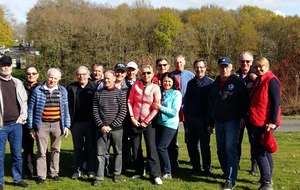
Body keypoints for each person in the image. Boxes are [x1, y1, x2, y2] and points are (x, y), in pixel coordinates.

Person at [207, 57, 249, 190]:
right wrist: (210, 122)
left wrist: (243, 116)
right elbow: (211, 103)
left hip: (232, 121)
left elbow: (246, 100)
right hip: (218, 121)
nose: (224, 69)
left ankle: (231, 180)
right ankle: (226, 172)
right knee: (220, 149)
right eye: (221, 66)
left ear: (231, 67)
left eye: (226, 66)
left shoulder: (237, 82)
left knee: (230, 149)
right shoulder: (215, 83)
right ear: (218, 68)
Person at [27, 68, 71, 185]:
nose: (52, 80)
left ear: (59, 79)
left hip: (57, 124)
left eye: (55, 78)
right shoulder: (38, 90)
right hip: (42, 124)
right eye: (50, 77)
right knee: (41, 151)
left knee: (56, 150)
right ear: (47, 77)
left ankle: (54, 172)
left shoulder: (63, 91)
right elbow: (31, 110)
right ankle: (42, 175)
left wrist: (66, 125)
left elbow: (66, 109)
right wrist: (31, 127)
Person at [249, 57, 281, 190]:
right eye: (256, 67)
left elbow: (276, 102)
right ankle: (266, 178)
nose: (259, 69)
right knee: (266, 151)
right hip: (258, 119)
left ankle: (267, 183)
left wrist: (272, 122)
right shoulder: (258, 80)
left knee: (259, 151)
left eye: (261, 66)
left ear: (267, 66)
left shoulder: (271, 80)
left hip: (265, 122)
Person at [127, 65, 163, 185]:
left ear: (152, 74)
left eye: (148, 73)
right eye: (143, 73)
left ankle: (155, 174)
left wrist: (146, 121)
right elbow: (129, 101)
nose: (146, 75)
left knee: (151, 148)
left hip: (149, 123)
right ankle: (139, 170)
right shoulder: (135, 85)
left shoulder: (155, 88)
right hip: (135, 121)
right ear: (140, 74)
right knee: (136, 147)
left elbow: (156, 107)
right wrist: (132, 117)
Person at [92, 70, 127, 186]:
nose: (106, 80)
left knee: (118, 152)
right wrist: (101, 125)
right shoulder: (98, 93)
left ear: (113, 79)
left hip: (116, 129)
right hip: (101, 129)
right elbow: (95, 111)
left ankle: (117, 173)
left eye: (108, 78)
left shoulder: (120, 93)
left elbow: (123, 112)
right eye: (104, 78)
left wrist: (111, 126)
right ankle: (99, 176)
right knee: (100, 153)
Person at [0, 55, 29, 188]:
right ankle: (0, 181)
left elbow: (24, 102)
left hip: (16, 125)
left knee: (17, 154)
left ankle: (17, 179)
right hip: (1, 126)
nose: (6, 67)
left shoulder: (17, 82)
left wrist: (22, 117)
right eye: (3, 65)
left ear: (11, 66)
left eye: (8, 65)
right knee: (0, 156)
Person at [67, 66, 97, 180]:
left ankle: (91, 169)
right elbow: (67, 106)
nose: (81, 76)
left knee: (91, 147)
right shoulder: (71, 87)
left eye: (84, 74)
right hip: (76, 123)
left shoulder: (94, 86)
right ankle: (77, 169)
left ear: (88, 75)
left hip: (91, 122)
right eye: (79, 74)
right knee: (78, 148)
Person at [184, 58, 213, 176]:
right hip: (191, 118)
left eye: (201, 67)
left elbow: (212, 103)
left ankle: (207, 168)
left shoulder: (211, 83)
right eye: (197, 67)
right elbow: (187, 100)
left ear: (205, 68)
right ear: (194, 68)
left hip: (204, 119)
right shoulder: (190, 83)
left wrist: (210, 122)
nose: (199, 69)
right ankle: (196, 167)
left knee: (205, 145)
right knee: (192, 144)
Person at [152, 57, 180, 173]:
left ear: (173, 82)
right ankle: (162, 168)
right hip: (159, 123)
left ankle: (168, 170)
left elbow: (174, 112)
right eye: (165, 81)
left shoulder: (176, 93)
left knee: (162, 147)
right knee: (161, 147)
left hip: (170, 124)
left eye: (169, 81)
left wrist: (160, 108)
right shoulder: (160, 92)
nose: (167, 83)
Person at [236, 51, 258, 175]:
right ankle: (236, 163)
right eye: (242, 61)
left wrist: (255, 83)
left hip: (252, 115)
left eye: (247, 61)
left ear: (252, 62)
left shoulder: (257, 76)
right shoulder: (235, 76)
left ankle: (254, 166)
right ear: (239, 62)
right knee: (236, 141)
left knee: (253, 140)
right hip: (238, 114)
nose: (245, 64)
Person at [171, 55, 194, 157]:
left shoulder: (190, 75)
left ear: (184, 63)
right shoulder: (171, 75)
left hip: (187, 108)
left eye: (181, 62)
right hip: (175, 109)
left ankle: (193, 159)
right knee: (173, 135)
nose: (179, 64)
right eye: (177, 62)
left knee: (189, 135)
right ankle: (174, 159)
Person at [22, 66, 41, 179]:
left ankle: (42, 169)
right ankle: (28, 170)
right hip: (25, 121)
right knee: (27, 147)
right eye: (29, 73)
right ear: (26, 75)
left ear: (37, 75)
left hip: (39, 121)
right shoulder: (20, 87)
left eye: (34, 73)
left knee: (41, 147)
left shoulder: (42, 87)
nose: (31, 75)